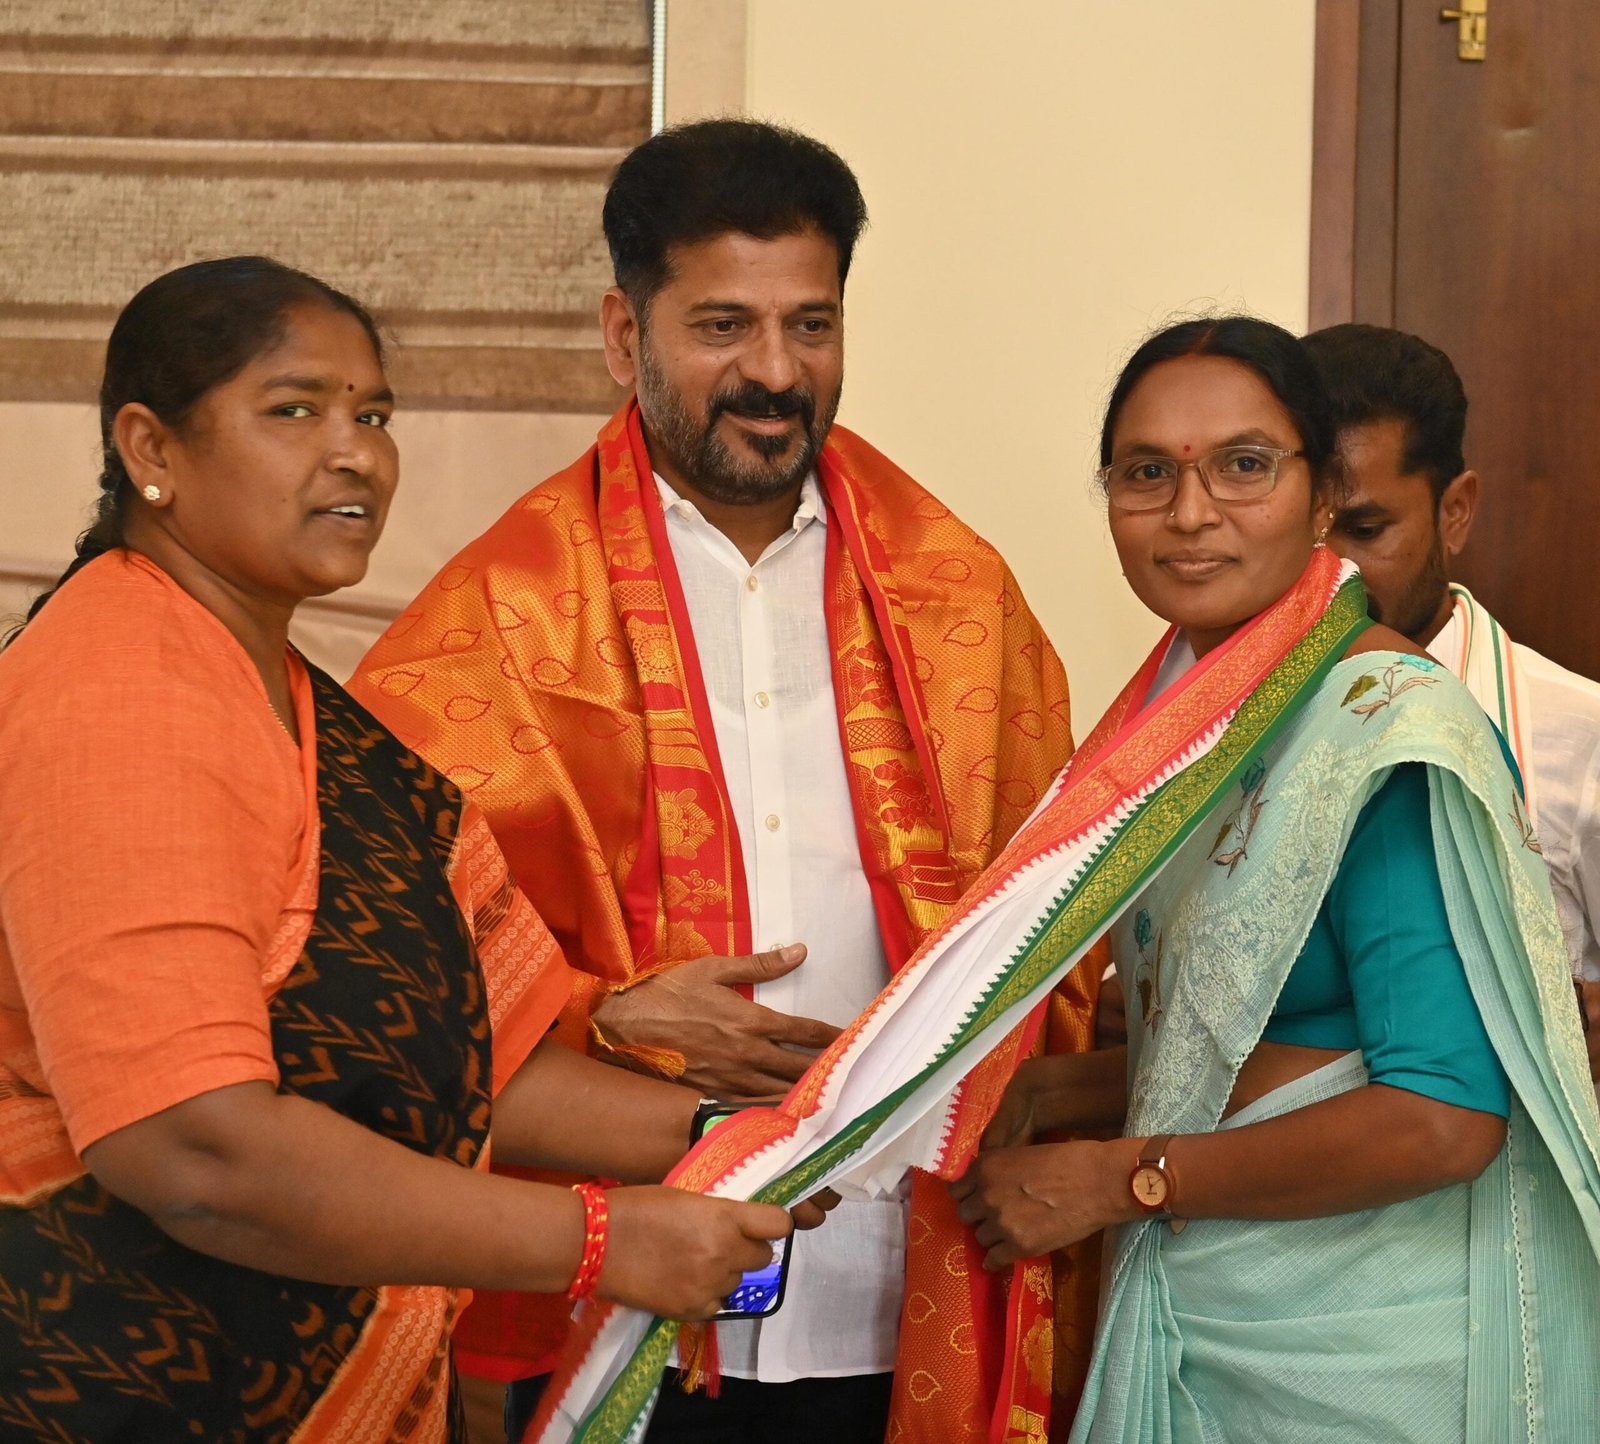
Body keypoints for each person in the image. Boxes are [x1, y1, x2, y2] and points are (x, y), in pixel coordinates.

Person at [351, 119, 1096, 1443]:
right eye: (722, 326)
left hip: (907, 1286)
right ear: (625, 335)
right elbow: (391, 992)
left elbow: (1068, 925)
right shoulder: (497, 624)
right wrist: (607, 1015)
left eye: (811, 325)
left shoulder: (958, 595)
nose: (774, 372)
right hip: (616, 1299)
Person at [0, 257, 810, 1444]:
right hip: (128, 1386)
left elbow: (482, 1061)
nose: (356, 453)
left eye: (372, 414)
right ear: (151, 449)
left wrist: (730, 1140)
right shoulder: (120, 686)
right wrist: (605, 1240)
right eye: (295, 410)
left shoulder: (294, 702)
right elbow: (190, 1143)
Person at [952, 317, 1600, 1442]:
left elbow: (1444, 1116)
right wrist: (1051, 1096)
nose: (1190, 512)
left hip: (1367, 1362)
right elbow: (1240, 1036)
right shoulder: (1196, 717)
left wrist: (1123, 1181)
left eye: (1243, 466)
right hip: (1216, 1317)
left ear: (1317, 503)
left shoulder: (1380, 730)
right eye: (1147, 472)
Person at [1305, 322, 1600, 1080]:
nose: (1328, 574)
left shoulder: (1580, 736)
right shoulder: (1216, 726)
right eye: (1302, 534)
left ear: (1455, 511)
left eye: (1364, 530)